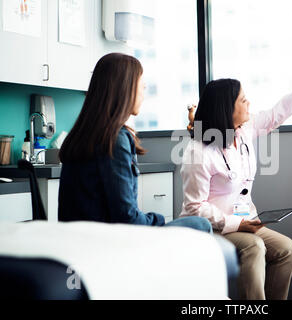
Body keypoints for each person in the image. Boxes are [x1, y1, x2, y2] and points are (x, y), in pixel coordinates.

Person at [180, 58, 292, 300]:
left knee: (287, 250)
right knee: (254, 247)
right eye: (243, 100)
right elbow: (194, 207)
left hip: (245, 221)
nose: (249, 104)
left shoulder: (243, 131)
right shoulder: (198, 150)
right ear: (228, 108)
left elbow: (279, 112)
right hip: (212, 228)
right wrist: (238, 225)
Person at [58, 53, 212, 233]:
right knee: (200, 224)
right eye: (143, 87)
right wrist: (158, 219)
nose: (144, 95)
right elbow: (128, 219)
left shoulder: (83, 134)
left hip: (79, 240)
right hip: (110, 243)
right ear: (126, 88)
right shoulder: (115, 139)